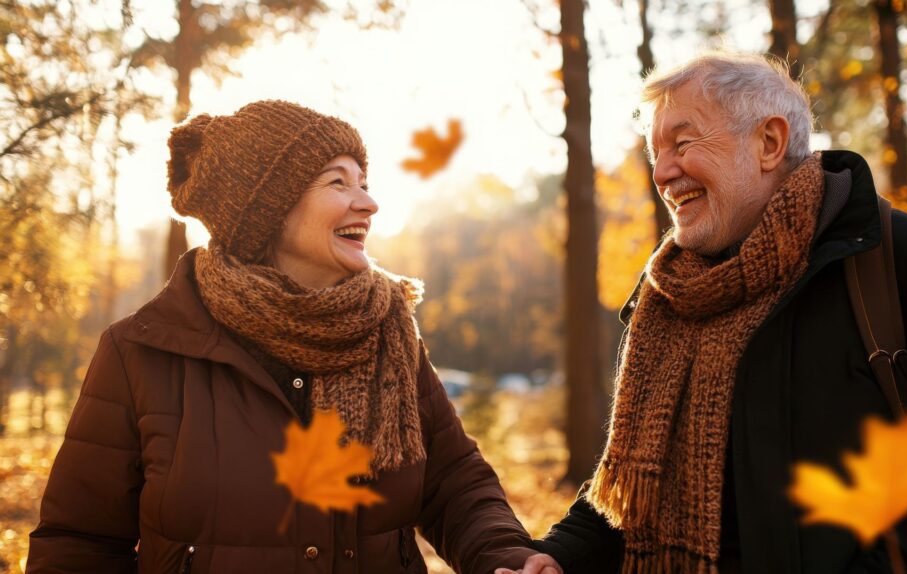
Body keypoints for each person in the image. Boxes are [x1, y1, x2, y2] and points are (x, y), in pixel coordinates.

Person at [500, 51, 907, 574]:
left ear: (769, 143)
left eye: (683, 143)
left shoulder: (895, 258)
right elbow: (628, 490)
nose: (661, 172)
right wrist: (557, 557)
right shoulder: (666, 300)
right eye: (654, 152)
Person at [27, 100, 537, 573]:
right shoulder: (143, 350)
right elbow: (78, 543)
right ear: (268, 208)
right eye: (338, 183)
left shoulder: (389, 335)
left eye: (363, 181)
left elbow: (454, 484)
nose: (369, 202)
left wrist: (506, 555)